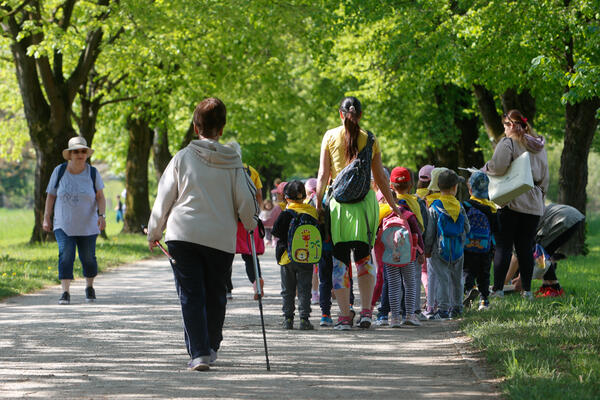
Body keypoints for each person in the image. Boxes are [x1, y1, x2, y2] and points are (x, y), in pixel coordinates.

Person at [147, 98, 258, 371]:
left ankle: (198, 353)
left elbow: (164, 198)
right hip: (220, 238)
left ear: (196, 128)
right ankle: (210, 346)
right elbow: (245, 201)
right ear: (221, 129)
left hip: (183, 235)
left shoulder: (181, 158)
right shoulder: (234, 162)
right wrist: (251, 223)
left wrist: (154, 231)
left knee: (191, 294)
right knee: (216, 293)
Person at [315, 96, 400, 330]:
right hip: (365, 206)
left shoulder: (330, 136)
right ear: (360, 115)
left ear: (340, 114)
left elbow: (323, 174)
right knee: (364, 259)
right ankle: (365, 313)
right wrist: (393, 205)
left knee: (340, 263)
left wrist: (317, 204)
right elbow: (381, 178)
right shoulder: (370, 138)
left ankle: (343, 316)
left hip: (339, 208)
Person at [484, 109, 549, 300]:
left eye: (505, 125)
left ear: (512, 125)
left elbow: (498, 166)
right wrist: (539, 197)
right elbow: (545, 179)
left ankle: (497, 290)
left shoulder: (509, 142)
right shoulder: (539, 146)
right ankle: (527, 291)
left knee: (504, 246)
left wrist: (486, 167)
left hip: (512, 200)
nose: (504, 130)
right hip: (534, 203)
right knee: (525, 248)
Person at [43, 136, 106, 305]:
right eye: (76, 151)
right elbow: (51, 195)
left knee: (88, 258)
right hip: (63, 224)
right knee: (66, 256)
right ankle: (65, 292)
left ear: (87, 154)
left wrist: (102, 216)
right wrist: (46, 217)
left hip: (88, 225)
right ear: (70, 154)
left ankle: (89, 287)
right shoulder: (59, 171)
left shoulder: (93, 173)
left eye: (83, 151)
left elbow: (100, 197)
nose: (80, 154)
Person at [505, 203, 584, 297]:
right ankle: (550, 286)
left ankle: (554, 290)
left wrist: (505, 283)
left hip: (563, 219)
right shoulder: (521, 215)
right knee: (542, 253)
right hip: (572, 215)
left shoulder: (514, 227)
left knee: (540, 254)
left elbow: (517, 256)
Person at [272, 180, 320, 330]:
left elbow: (276, 232)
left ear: (286, 197)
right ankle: (304, 319)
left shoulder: (286, 213)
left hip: (287, 258)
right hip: (306, 258)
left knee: (287, 289)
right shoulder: (311, 212)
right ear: (304, 197)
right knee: (305, 288)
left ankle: (288, 319)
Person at [381, 166, 425, 326]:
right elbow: (418, 234)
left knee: (393, 285)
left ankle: (394, 318)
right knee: (410, 283)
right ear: (411, 184)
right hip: (408, 255)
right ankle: (410, 315)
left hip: (390, 256)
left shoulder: (384, 213)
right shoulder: (409, 212)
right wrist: (421, 252)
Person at [424, 169, 470, 319]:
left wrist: (427, 249)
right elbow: (467, 228)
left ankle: (443, 310)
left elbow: (430, 232)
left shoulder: (434, 207)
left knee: (442, 279)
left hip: (439, 250)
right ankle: (457, 308)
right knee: (457, 279)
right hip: (457, 249)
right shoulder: (460, 206)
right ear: (454, 188)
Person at [228, 141, 265, 300]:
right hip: (248, 218)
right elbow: (259, 197)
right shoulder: (251, 171)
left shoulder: (224, 171)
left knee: (225, 256)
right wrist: (257, 214)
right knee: (250, 255)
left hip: (229, 219)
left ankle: (226, 289)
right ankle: (257, 283)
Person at [461, 171, 498, 311]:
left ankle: (469, 290)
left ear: (470, 189)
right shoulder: (492, 208)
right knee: (484, 274)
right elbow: (496, 229)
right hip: (486, 248)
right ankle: (484, 301)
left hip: (468, 247)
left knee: (468, 272)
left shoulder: (465, 205)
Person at [304, 178, 320, 305]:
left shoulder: (307, 202)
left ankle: (314, 294)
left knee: (314, 268)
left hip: (311, 239)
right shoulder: (323, 198)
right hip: (324, 237)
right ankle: (331, 291)